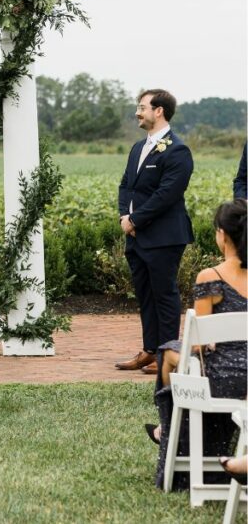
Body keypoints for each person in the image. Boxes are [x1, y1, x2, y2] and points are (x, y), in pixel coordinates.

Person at [147, 199, 246, 488]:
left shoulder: (210, 278)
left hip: (220, 381)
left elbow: (200, 347)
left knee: (167, 350)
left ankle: (168, 428)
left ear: (223, 235)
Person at [115, 89, 194, 376]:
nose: (138, 112)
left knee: (164, 294)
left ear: (158, 111)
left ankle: (168, 355)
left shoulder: (177, 150)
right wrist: (125, 215)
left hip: (164, 237)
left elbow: (167, 195)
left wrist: (135, 220)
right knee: (145, 294)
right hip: (135, 236)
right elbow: (126, 185)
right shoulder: (138, 147)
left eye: (142, 107)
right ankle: (150, 350)